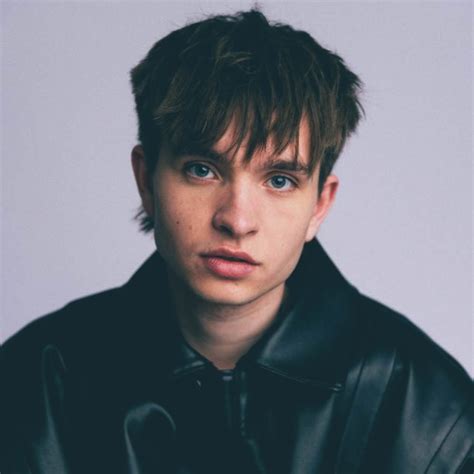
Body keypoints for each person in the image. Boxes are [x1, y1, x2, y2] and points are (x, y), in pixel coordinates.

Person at [1, 8, 472, 474]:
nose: (237, 219)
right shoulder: (33, 386)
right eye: (201, 170)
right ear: (146, 181)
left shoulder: (431, 414)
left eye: (280, 180)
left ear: (319, 205)